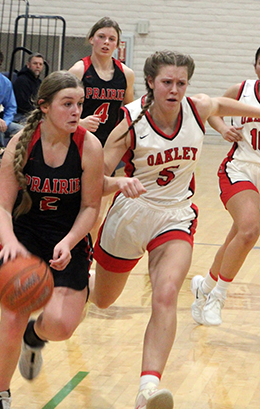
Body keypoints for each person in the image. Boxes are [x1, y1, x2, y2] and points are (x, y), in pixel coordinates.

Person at [89, 50, 260, 409]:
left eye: (181, 83)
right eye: (167, 82)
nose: (175, 89)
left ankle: (147, 389)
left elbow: (222, 103)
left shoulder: (197, 108)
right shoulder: (130, 123)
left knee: (166, 294)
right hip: (132, 214)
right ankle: (75, 284)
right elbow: (97, 180)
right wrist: (117, 184)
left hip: (175, 216)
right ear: (151, 82)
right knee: (102, 299)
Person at [0, 70, 103, 409]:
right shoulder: (23, 142)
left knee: (63, 327)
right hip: (24, 234)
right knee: (11, 316)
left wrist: (69, 242)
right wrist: (8, 243)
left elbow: (91, 206)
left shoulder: (88, 145)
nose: (76, 112)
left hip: (67, 237)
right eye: (67, 104)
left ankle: (34, 337)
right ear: (45, 107)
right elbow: (0, 208)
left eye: (79, 104)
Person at [190, 47, 260, 327]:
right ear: (255, 65)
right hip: (239, 168)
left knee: (237, 238)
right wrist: (221, 128)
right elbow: (211, 109)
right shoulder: (242, 89)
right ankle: (218, 297)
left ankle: (204, 288)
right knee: (249, 230)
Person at [69, 16, 135, 241]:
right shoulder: (79, 70)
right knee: (77, 206)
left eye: (112, 39)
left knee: (97, 211)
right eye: (101, 37)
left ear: (117, 45)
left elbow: (129, 112)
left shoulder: (126, 74)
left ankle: (87, 255)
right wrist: (78, 123)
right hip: (79, 144)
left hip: (109, 148)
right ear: (91, 39)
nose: (106, 42)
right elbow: (58, 108)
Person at [13, 52, 44, 123]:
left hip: (34, 114)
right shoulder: (21, 80)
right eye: (35, 63)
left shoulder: (39, 82)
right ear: (28, 65)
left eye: (40, 64)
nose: (38, 66)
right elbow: (22, 106)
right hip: (20, 115)